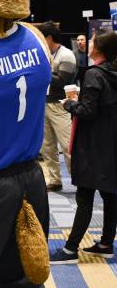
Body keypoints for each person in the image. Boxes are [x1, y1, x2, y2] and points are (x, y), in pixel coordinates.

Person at [50, 28, 117, 263]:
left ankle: (70, 250)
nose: (86, 42)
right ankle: (107, 243)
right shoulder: (112, 73)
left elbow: (87, 112)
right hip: (110, 144)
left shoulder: (93, 75)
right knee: (110, 196)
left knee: (85, 198)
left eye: (91, 41)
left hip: (92, 146)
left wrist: (69, 103)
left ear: (98, 48)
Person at [36, 21, 76, 191]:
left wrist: (42, 69)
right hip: (43, 104)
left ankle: (79, 179)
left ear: (49, 38)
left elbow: (62, 81)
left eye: (41, 38)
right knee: (47, 146)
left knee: (67, 146)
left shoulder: (66, 55)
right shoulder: (44, 54)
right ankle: (55, 180)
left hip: (60, 106)